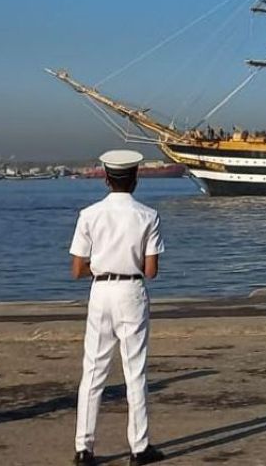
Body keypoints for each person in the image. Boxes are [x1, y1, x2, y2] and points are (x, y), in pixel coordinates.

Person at [69, 150, 166, 466]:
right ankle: (139, 447)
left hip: (100, 290)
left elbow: (76, 269)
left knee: (93, 371)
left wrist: (100, 267)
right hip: (131, 290)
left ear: (106, 178)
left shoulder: (89, 215)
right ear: (136, 178)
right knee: (134, 371)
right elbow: (151, 270)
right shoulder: (148, 216)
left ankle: (84, 449)